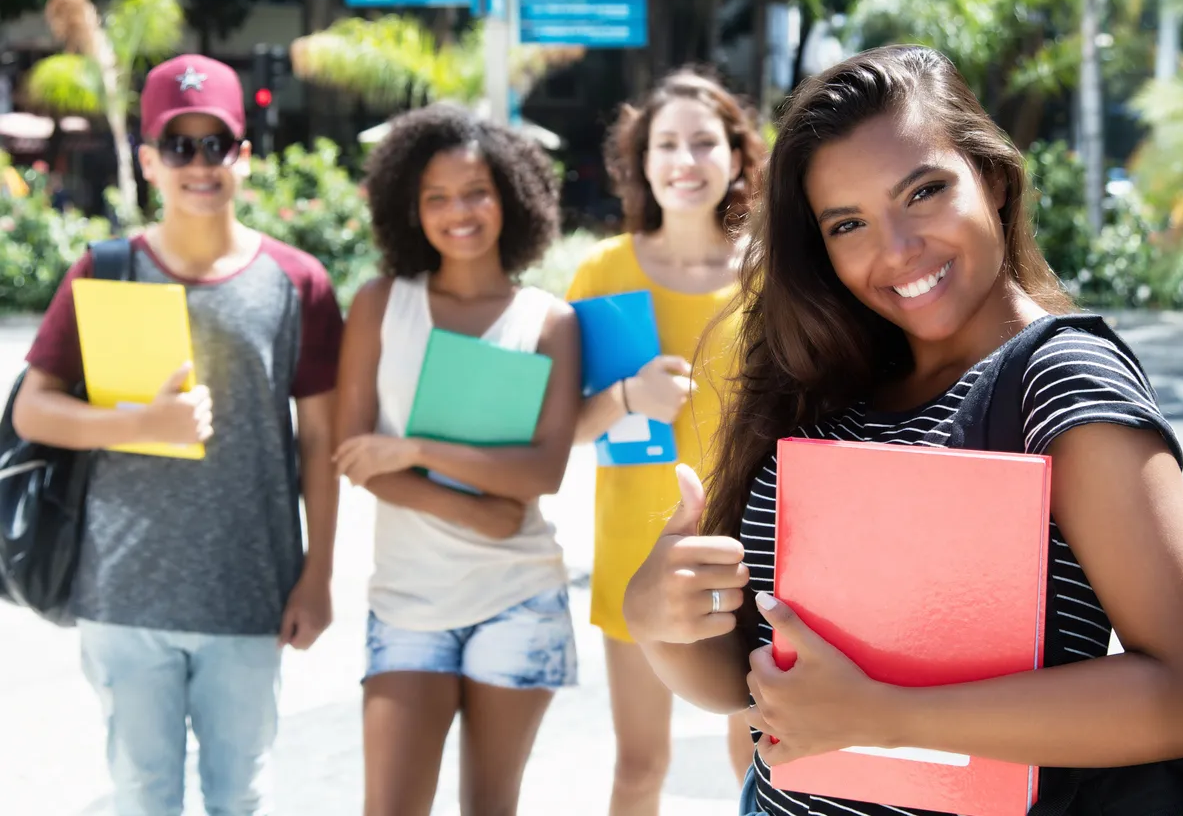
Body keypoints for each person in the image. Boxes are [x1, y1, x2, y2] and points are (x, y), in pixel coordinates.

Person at [622, 45, 1183, 816]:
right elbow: (748, 687)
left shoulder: (1058, 379)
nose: (894, 249)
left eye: (922, 192)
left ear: (989, 178)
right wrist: (659, 618)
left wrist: (885, 714)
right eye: (847, 222)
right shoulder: (830, 379)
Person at [13, 54, 343, 815]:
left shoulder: (299, 282)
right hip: (122, 591)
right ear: (149, 160)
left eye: (215, 144)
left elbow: (319, 442)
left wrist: (317, 574)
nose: (199, 164)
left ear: (243, 156)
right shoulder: (103, 268)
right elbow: (35, 409)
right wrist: (136, 424)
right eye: (179, 146)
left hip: (249, 588)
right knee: (142, 796)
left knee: (240, 796)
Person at [334, 103, 581, 816]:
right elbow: (356, 457)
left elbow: (543, 472)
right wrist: (483, 510)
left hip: (519, 598)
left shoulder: (548, 321)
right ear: (409, 209)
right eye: (435, 197)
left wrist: (413, 448)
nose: (458, 212)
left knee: (489, 808)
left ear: (510, 196)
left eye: (475, 191)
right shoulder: (381, 304)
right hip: (407, 600)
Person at [565, 68, 767, 815]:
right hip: (635, 555)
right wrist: (626, 397)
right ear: (641, 160)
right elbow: (560, 428)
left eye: (703, 142)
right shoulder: (602, 271)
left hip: (756, 548)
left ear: (737, 154)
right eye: (667, 143)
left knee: (761, 760)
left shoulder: (769, 272)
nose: (685, 161)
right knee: (639, 766)